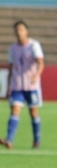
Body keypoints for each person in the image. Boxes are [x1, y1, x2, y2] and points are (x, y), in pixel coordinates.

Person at [0, 21, 44, 150]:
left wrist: (36, 75)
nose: (19, 32)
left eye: (21, 29)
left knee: (33, 112)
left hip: (32, 86)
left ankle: (36, 140)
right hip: (17, 85)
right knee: (14, 111)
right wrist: (8, 85)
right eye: (17, 30)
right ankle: (9, 139)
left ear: (26, 31)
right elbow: (11, 67)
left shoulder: (33, 45)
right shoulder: (12, 48)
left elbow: (41, 62)